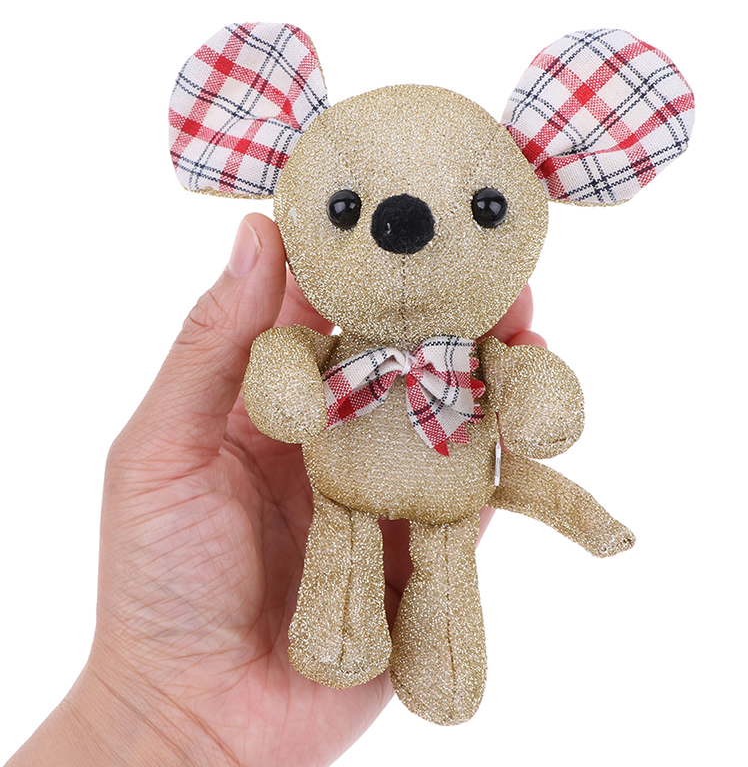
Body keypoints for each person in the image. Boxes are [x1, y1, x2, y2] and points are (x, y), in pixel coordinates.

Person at [7, 214, 545, 767]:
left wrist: (536, 402)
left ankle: (441, 666)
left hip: (447, 503)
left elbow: (534, 394)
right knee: (344, 536)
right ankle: (342, 641)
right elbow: (284, 364)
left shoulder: (477, 361)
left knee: (445, 557)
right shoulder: (327, 345)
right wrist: (290, 394)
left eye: (484, 207)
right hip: (343, 497)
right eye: (344, 208)